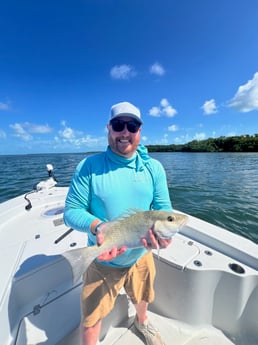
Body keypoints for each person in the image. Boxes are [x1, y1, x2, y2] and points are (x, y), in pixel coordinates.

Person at [64, 101, 173, 345]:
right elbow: (71, 211)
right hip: (102, 258)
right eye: (118, 125)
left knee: (143, 296)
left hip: (140, 254)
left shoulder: (153, 168)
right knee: (91, 318)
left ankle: (142, 322)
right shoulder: (89, 167)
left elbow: (164, 210)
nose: (125, 132)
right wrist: (99, 227)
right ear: (108, 128)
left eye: (132, 126)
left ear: (139, 131)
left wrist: (164, 236)